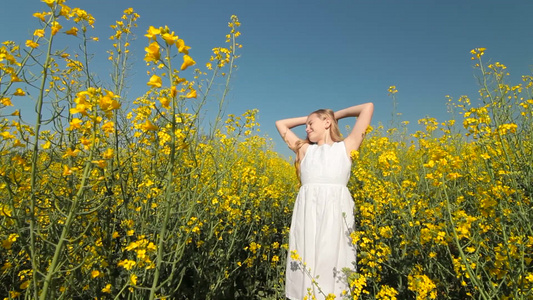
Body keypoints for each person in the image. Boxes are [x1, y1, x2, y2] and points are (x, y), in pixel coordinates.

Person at [275, 102, 374, 299]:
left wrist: (334, 115)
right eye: (306, 125)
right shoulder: (304, 150)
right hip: (307, 214)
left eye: (311, 124)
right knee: (305, 258)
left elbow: (367, 108)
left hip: (336, 214)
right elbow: (281, 124)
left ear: (327, 123)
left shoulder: (347, 147)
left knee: (334, 259)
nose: (306, 128)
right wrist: (312, 117)